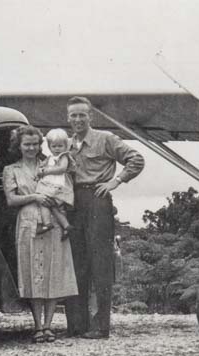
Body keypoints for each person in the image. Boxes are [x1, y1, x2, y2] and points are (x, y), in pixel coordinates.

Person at [65, 96, 145, 339]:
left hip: (97, 200)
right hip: (72, 203)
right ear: (68, 119)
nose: (78, 119)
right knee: (77, 264)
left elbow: (136, 159)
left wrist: (115, 181)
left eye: (82, 115)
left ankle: (101, 326)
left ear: (91, 117)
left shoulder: (106, 139)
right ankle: (77, 325)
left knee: (100, 263)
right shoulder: (67, 144)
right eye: (73, 115)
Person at [2, 125, 78, 343]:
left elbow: (64, 184)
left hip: (53, 219)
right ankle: (37, 326)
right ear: (19, 145)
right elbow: (11, 200)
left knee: (53, 268)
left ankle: (48, 325)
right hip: (28, 221)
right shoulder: (12, 170)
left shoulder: (50, 163)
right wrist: (35, 197)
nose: (32, 148)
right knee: (34, 271)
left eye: (35, 144)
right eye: (27, 144)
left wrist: (56, 198)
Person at [34, 128, 75, 239]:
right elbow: (41, 166)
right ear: (49, 146)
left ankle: (46, 224)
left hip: (57, 186)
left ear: (65, 146)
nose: (57, 149)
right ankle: (66, 226)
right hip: (52, 185)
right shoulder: (49, 158)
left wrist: (46, 171)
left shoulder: (64, 156)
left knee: (44, 202)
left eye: (60, 146)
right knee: (53, 206)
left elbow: (62, 169)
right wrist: (40, 170)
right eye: (54, 146)